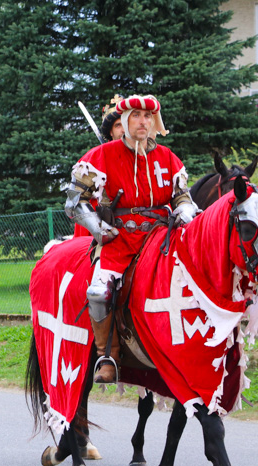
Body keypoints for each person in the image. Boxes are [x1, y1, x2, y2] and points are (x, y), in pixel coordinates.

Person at [65, 94, 198, 383]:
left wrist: (187, 214)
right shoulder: (101, 156)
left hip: (160, 237)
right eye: (136, 116)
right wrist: (99, 229)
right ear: (125, 121)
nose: (143, 121)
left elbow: (183, 197)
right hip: (119, 239)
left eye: (148, 117)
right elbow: (74, 202)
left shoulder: (168, 158)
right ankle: (107, 355)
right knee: (99, 292)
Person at [73, 95, 126, 239]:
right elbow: (77, 199)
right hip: (103, 228)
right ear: (110, 132)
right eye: (118, 125)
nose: (123, 130)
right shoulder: (94, 159)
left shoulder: (146, 156)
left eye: (126, 124)